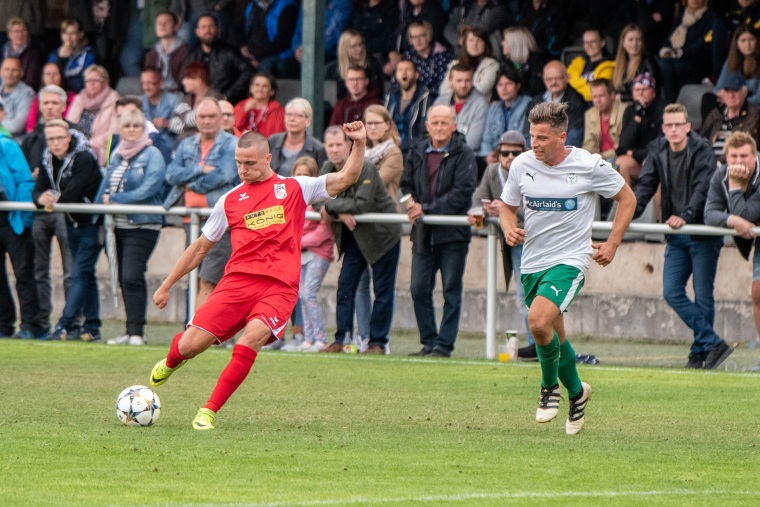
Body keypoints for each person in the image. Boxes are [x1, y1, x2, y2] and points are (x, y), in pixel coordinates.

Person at [148, 121, 368, 430]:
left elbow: (348, 176)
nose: (243, 169)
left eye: (249, 163)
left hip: (278, 288)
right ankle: (172, 361)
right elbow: (200, 247)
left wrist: (358, 144)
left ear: (267, 160)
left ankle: (207, 411)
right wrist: (167, 284)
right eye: (238, 163)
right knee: (190, 345)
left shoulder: (295, 188)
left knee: (250, 337)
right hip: (237, 283)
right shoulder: (230, 200)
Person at [499, 101, 635, 435]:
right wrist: (507, 227)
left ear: (562, 137)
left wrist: (613, 243)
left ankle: (549, 389)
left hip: (570, 260)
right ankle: (577, 394)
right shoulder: (522, 165)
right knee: (553, 335)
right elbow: (506, 205)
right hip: (532, 263)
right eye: (532, 136)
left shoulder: (589, 165)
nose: (534, 143)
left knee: (537, 321)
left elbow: (627, 199)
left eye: (542, 138)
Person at [633, 103, 734, 369]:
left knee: (703, 296)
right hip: (677, 234)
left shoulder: (702, 150)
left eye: (679, 125)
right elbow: (645, 186)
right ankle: (712, 343)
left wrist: (686, 215)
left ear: (688, 127)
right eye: (669, 125)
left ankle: (699, 352)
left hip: (701, 231)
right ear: (664, 128)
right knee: (672, 291)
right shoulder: (657, 149)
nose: (674, 130)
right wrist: (627, 211)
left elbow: (703, 188)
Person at [401, 104, 477, 357]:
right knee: (418, 288)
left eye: (445, 122)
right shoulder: (415, 151)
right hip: (423, 233)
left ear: (454, 126)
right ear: (427, 126)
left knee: (450, 290)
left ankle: (444, 345)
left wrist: (427, 210)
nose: (440, 127)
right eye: (435, 122)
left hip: (452, 235)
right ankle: (428, 341)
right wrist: (410, 204)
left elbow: (462, 194)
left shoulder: (465, 154)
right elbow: (406, 184)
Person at [318, 124, 402, 354]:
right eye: (330, 145)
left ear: (349, 145)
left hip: (383, 235)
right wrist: (337, 210)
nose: (335, 150)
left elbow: (361, 204)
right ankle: (339, 339)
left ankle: (377, 343)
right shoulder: (326, 168)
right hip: (355, 236)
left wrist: (334, 208)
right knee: (345, 285)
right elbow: (316, 197)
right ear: (325, 147)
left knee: (382, 291)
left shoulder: (365, 167)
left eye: (339, 145)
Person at [97, 109, 166, 346]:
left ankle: (137, 332)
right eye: (127, 126)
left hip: (143, 224)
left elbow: (150, 188)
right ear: (121, 129)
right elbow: (105, 186)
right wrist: (98, 208)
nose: (132, 130)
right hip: (116, 225)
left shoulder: (152, 154)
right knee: (123, 279)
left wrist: (117, 200)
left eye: (137, 126)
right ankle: (130, 330)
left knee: (132, 274)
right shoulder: (116, 155)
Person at [164, 97, 239, 310]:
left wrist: (191, 184)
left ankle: (204, 331)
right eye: (203, 116)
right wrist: (199, 170)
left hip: (219, 221)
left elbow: (224, 175)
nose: (208, 121)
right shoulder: (187, 143)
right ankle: (193, 330)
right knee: (193, 277)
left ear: (221, 118)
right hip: (191, 221)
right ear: (196, 119)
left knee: (211, 278)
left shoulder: (232, 144)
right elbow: (170, 175)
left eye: (212, 116)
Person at [35, 120, 103, 342]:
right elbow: (38, 190)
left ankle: (64, 324)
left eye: (59, 138)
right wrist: (40, 198)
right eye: (51, 139)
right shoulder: (48, 157)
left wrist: (51, 197)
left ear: (68, 137)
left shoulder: (84, 157)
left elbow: (73, 193)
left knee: (79, 273)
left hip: (92, 223)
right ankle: (92, 326)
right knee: (86, 274)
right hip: (71, 223)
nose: (55, 143)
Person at [467, 130, 533, 352]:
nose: (510, 157)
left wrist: (506, 210)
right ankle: (537, 345)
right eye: (505, 153)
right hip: (513, 239)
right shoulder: (491, 171)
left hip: (532, 238)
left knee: (532, 294)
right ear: (498, 154)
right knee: (524, 295)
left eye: (516, 152)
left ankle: (539, 345)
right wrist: (482, 212)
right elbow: (477, 198)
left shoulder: (534, 172)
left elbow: (539, 208)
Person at [20, 85, 74, 339]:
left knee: (71, 271)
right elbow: (25, 178)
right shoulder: (31, 138)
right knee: (39, 271)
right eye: (46, 103)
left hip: (66, 211)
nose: (50, 107)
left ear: (64, 105)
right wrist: (36, 189)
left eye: (55, 102)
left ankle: (71, 323)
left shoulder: (76, 134)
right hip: (40, 212)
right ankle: (41, 324)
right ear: (40, 107)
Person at [704, 131, 760, 372]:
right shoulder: (721, 174)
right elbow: (709, 214)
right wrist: (731, 220)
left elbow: (748, 215)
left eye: (744, 156)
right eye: (734, 156)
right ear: (726, 156)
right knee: (758, 293)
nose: (738, 162)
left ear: (755, 156)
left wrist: (736, 187)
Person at [351, 104, 404, 346]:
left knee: (382, 288)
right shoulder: (358, 149)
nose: (371, 128)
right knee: (358, 285)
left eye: (376, 123)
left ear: (387, 125)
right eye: (368, 123)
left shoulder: (394, 153)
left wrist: (349, 183)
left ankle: (378, 341)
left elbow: (373, 184)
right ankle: (363, 337)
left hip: (383, 225)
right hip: (359, 222)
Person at [289, 157, 335, 352]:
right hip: (300, 253)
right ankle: (308, 339)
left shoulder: (320, 198)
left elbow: (323, 232)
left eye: (305, 175)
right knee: (301, 294)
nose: (301, 179)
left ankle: (321, 339)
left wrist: (296, 242)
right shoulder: (290, 199)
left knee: (308, 294)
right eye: (297, 175)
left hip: (318, 252)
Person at [0, 127, 40, 339]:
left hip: (12, 221)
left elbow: (25, 181)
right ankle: (4, 325)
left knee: (23, 275)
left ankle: (29, 326)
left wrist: (23, 218)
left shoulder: (6, 145)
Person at [657, 0, 720, 103]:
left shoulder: (711, 19)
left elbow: (703, 44)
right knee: (663, 65)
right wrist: (667, 51)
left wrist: (680, 52)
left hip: (697, 63)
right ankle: (669, 104)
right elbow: (667, 41)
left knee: (679, 67)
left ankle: (681, 104)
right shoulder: (681, 17)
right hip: (677, 59)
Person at [185, 14, 252, 105]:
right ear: (197, 32)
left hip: (226, 103)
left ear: (217, 30)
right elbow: (186, 79)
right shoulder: (192, 56)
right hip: (200, 104)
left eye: (211, 26)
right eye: (204, 27)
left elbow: (247, 72)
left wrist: (227, 95)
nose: (207, 30)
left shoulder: (229, 51)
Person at [614, 72, 665, 187]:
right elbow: (623, 145)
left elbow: (661, 146)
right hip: (638, 161)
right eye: (637, 90)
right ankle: (627, 204)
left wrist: (633, 153)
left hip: (657, 161)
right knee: (621, 163)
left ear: (653, 92)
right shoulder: (630, 111)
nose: (641, 93)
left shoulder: (662, 109)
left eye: (645, 89)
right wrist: (638, 117)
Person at [65, 64, 120, 166]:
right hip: (74, 144)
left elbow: (114, 133)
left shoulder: (114, 101)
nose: (92, 84)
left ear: (105, 82)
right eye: (88, 81)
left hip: (98, 148)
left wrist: (89, 143)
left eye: (96, 81)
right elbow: (68, 124)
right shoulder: (79, 98)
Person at [700, 72, 760, 163]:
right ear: (722, 93)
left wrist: (718, 163)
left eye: (735, 91)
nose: (731, 95)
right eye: (727, 91)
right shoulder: (716, 113)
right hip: (708, 164)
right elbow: (702, 139)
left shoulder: (753, 115)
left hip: (734, 164)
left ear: (745, 92)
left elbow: (743, 146)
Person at [529, 60, 588, 149]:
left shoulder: (577, 101)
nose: (553, 82)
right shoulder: (535, 102)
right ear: (544, 80)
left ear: (567, 78)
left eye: (558, 78)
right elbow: (527, 133)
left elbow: (573, 137)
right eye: (549, 79)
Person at [433, 63, 489, 154]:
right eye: (459, 80)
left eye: (467, 80)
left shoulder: (481, 104)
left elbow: (472, 143)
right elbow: (431, 133)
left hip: (468, 157)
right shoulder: (441, 101)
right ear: (450, 81)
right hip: (440, 153)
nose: (463, 85)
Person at [481, 68, 532, 163]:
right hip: (496, 158)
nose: (504, 88)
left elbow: (527, 138)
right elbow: (487, 139)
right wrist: (488, 155)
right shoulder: (494, 108)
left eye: (508, 84)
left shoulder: (528, 104)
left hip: (517, 157)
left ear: (518, 86)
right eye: (500, 85)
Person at [234, 0, 300, 73]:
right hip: (253, 53)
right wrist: (242, 44)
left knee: (265, 66)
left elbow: (283, 40)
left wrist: (258, 58)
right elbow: (235, 28)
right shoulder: (253, 6)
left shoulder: (287, 6)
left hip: (277, 54)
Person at [268, 98, 327, 177]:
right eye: (289, 115)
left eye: (298, 116)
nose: (292, 119)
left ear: (308, 121)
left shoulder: (317, 148)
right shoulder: (272, 141)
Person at [168, 62, 225, 140]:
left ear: (198, 81)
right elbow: (172, 123)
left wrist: (184, 119)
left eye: (187, 78)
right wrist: (191, 128)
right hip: (185, 141)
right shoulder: (187, 98)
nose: (183, 82)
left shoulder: (214, 97)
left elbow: (198, 119)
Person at [384, 58, 432, 152]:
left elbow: (424, 132)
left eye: (408, 69)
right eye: (400, 70)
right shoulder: (390, 98)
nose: (404, 73)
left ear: (416, 75)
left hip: (414, 151)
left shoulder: (426, 99)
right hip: (390, 150)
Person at [440, 26, 500, 98]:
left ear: (486, 44)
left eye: (479, 40)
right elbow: (443, 90)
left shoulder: (492, 65)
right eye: (471, 40)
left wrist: (456, 92)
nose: (475, 44)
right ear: (465, 43)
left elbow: (481, 90)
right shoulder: (455, 63)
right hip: (454, 105)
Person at [328, 30, 385, 102]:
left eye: (361, 44)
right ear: (345, 48)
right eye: (354, 46)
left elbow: (378, 92)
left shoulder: (372, 64)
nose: (360, 49)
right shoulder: (336, 69)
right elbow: (341, 97)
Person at [611, 24, 660, 103]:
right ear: (623, 43)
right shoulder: (618, 64)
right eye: (630, 40)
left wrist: (622, 97)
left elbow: (648, 93)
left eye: (638, 40)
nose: (634, 44)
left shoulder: (648, 63)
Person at [143, 11, 189, 94]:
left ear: (176, 26)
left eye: (167, 22)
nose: (162, 25)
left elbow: (184, 81)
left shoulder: (185, 51)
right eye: (159, 23)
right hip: (156, 94)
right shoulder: (151, 54)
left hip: (178, 94)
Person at [402, 20, 451, 97]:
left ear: (428, 36)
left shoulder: (442, 56)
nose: (418, 40)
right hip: (410, 97)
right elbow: (398, 81)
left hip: (432, 98)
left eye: (422, 36)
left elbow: (441, 86)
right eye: (414, 37)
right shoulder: (409, 55)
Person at [715, 24, 760, 109]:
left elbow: (758, 99)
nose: (747, 45)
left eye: (751, 40)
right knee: (708, 98)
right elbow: (718, 88)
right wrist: (724, 96)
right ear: (737, 44)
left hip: (752, 107)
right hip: (731, 104)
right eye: (743, 41)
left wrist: (736, 100)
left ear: (757, 41)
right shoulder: (730, 61)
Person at [47, 18, 96, 93]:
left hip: (80, 94)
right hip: (57, 93)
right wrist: (60, 58)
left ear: (80, 34)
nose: (68, 38)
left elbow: (88, 78)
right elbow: (50, 76)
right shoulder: (55, 54)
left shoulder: (88, 54)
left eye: (72, 33)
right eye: (65, 33)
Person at [582, 79, 627, 162]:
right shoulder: (590, 114)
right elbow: (589, 143)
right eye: (595, 97)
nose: (598, 100)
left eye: (601, 96)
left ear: (612, 95)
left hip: (618, 157)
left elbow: (623, 146)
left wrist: (601, 156)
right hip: (599, 158)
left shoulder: (625, 110)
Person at [567, 29, 616, 103]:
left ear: (602, 43)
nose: (589, 46)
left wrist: (576, 84)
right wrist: (586, 82)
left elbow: (598, 93)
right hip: (574, 106)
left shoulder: (609, 66)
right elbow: (565, 81)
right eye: (586, 42)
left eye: (593, 42)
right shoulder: (578, 62)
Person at [25, 63, 76, 133]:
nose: (51, 77)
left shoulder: (71, 96)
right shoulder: (38, 98)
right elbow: (31, 123)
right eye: (48, 74)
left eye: (55, 74)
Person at [232, 73, 285, 138]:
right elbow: (232, 127)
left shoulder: (277, 110)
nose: (260, 89)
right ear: (251, 88)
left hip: (266, 145)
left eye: (265, 86)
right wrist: (244, 111)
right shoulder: (241, 105)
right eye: (257, 85)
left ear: (271, 91)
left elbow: (278, 135)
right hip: (240, 144)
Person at [443, 0, 508, 51]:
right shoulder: (465, 7)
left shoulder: (498, 8)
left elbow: (481, 28)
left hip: (488, 54)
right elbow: (448, 29)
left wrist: (463, 30)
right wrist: (460, 40)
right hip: (462, 55)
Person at [499, 25, 546, 97]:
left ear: (516, 44)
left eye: (505, 40)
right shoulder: (505, 62)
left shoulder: (537, 62)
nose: (502, 43)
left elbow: (536, 91)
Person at [141, 67, 181, 150]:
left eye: (150, 83)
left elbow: (183, 127)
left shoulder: (174, 100)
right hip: (146, 146)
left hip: (170, 147)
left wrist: (168, 124)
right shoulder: (140, 102)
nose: (146, 87)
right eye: (144, 83)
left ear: (161, 83)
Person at [0, 56, 34, 141]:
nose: (9, 73)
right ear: (1, 72)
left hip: (14, 142)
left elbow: (18, 125)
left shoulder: (28, 93)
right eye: (6, 69)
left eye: (14, 70)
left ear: (21, 73)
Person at [1, 17, 40, 89]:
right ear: (9, 34)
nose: (20, 34)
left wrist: (10, 88)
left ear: (28, 33)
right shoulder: (2, 50)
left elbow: (31, 80)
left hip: (21, 91)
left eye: (23, 31)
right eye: (16, 31)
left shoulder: (33, 53)